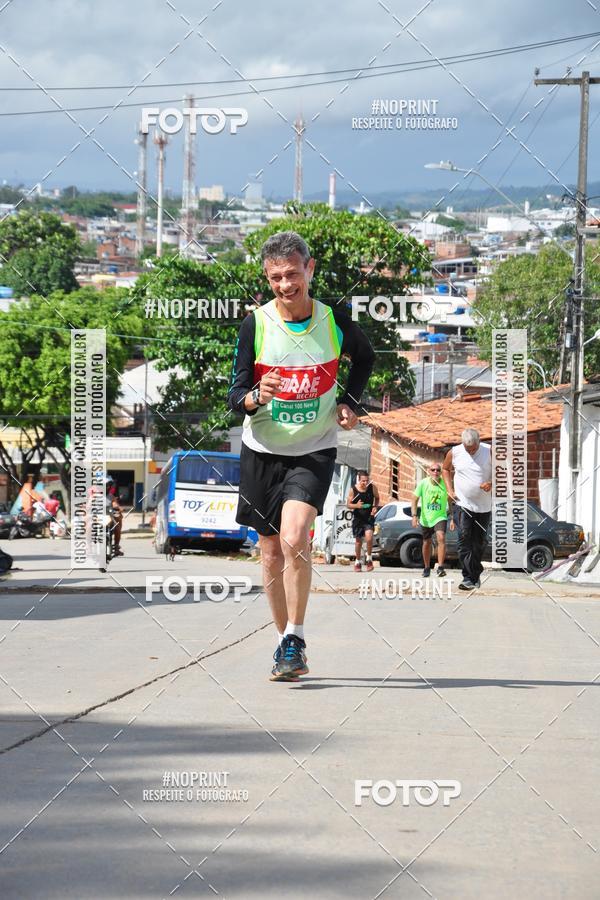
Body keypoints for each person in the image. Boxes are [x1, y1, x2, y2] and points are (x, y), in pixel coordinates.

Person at [227, 230, 374, 681]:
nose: (285, 285)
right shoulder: (256, 324)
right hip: (262, 449)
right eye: (275, 277)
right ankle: (283, 645)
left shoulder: (334, 322)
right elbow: (235, 396)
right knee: (269, 551)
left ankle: (296, 633)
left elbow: (365, 358)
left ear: (309, 269)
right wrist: (256, 396)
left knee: (293, 537)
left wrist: (350, 402)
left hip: (314, 448)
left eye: (292, 274)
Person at [442, 428, 492, 591]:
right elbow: (445, 469)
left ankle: (475, 573)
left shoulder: (490, 451)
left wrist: (491, 482)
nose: (470, 452)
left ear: (479, 441)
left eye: (473, 449)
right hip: (462, 503)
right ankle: (467, 578)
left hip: (484, 505)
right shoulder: (454, 452)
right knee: (464, 536)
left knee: (479, 542)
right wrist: (449, 490)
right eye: (467, 448)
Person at [412, 462, 454, 578]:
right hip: (426, 518)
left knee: (441, 537)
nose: (436, 472)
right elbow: (414, 499)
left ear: (441, 472)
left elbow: (450, 502)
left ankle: (440, 567)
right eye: (433, 470)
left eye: (438, 470)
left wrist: (452, 518)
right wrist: (414, 516)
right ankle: (426, 567)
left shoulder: (445, 484)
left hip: (440, 516)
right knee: (427, 542)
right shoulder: (423, 483)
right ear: (429, 471)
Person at [347, 470, 379, 572]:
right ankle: (357, 561)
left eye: (366, 480)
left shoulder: (372, 487)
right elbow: (348, 505)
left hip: (369, 518)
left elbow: (377, 498)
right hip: (358, 518)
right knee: (358, 542)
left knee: (369, 538)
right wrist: (356, 505)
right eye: (363, 481)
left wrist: (375, 507)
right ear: (359, 480)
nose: (365, 483)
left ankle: (369, 559)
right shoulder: (353, 490)